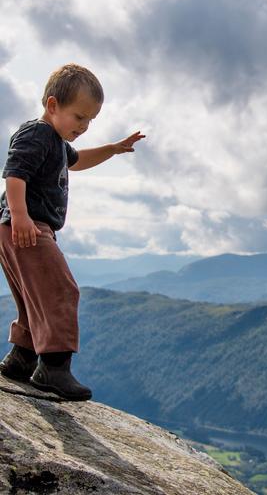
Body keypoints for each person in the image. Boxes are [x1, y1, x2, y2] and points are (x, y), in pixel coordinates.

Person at [0, 63, 145, 400]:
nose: (84, 126)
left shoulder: (56, 142)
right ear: (53, 106)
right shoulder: (36, 134)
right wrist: (21, 217)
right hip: (27, 227)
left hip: (18, 227)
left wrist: (112, 149)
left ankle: (22, 358)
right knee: (61, 291)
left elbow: (76, 162)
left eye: (90, 120)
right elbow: (14, 173)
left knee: (31, 297)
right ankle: (52, 368)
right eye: (79, 117)